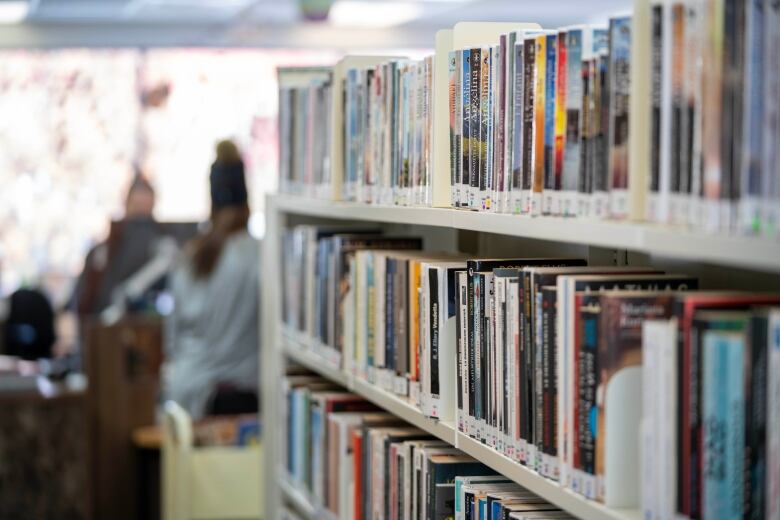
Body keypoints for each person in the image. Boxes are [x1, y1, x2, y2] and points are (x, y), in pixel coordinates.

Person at [163, 140, 259, 419]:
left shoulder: (189, 258)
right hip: (234, 403)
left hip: (185, 397)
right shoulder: (256, 256)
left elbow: (173, 339)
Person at [72, 173, 160, 318]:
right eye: (136, 209)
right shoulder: (103, 252)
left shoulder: (162, 248)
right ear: (127, 205)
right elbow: (84, 299)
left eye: (145, 216)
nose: (140, 225)